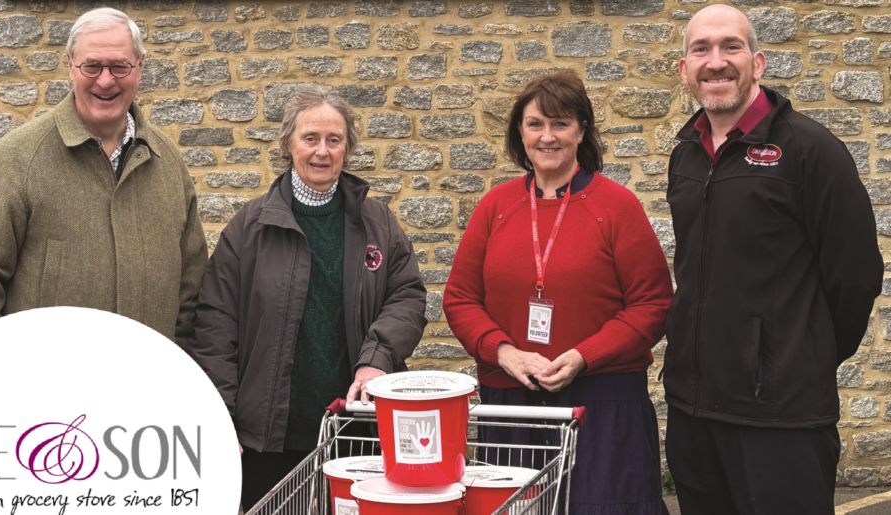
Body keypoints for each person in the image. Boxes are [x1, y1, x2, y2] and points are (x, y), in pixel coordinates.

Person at [665, 5, 883, 513]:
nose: (715, 61)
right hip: (693, 412)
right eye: (701, 49)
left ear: (758, 62)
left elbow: (855, 278)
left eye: (731, 47)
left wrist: (799, 356)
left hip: (781, 421)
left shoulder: (810, 150)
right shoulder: (686, 154)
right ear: (684, 69)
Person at [187, 85, 427, 510]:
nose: (322, 151)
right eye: (310, 138)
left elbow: (406, 295)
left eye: (334, 140)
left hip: (357, 429)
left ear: (347, 148)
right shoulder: (250, 226)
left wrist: (377, 360)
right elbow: (215, 324)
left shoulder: (377, 223)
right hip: (266, 437)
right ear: (288, 144)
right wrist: (221, 414)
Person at [444, 70, 673, 514]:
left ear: (582, 130)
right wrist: (505, 354)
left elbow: (652, 304)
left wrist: (585, 354)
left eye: (561, 123)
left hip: (602, 401)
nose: (547, 137)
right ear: (520, 133)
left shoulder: (617, 206)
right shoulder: (496, 206)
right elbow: (460, 298)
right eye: (535, 124)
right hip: (511, 401)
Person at [0, 8, 207, 346]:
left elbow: (190, 298)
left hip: (146, 391)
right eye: (92, 66)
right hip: (44, 393)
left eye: (119, 66)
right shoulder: (16, 160)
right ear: (70, 65)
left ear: (139, 67)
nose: (105, 79)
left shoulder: (168, 164)